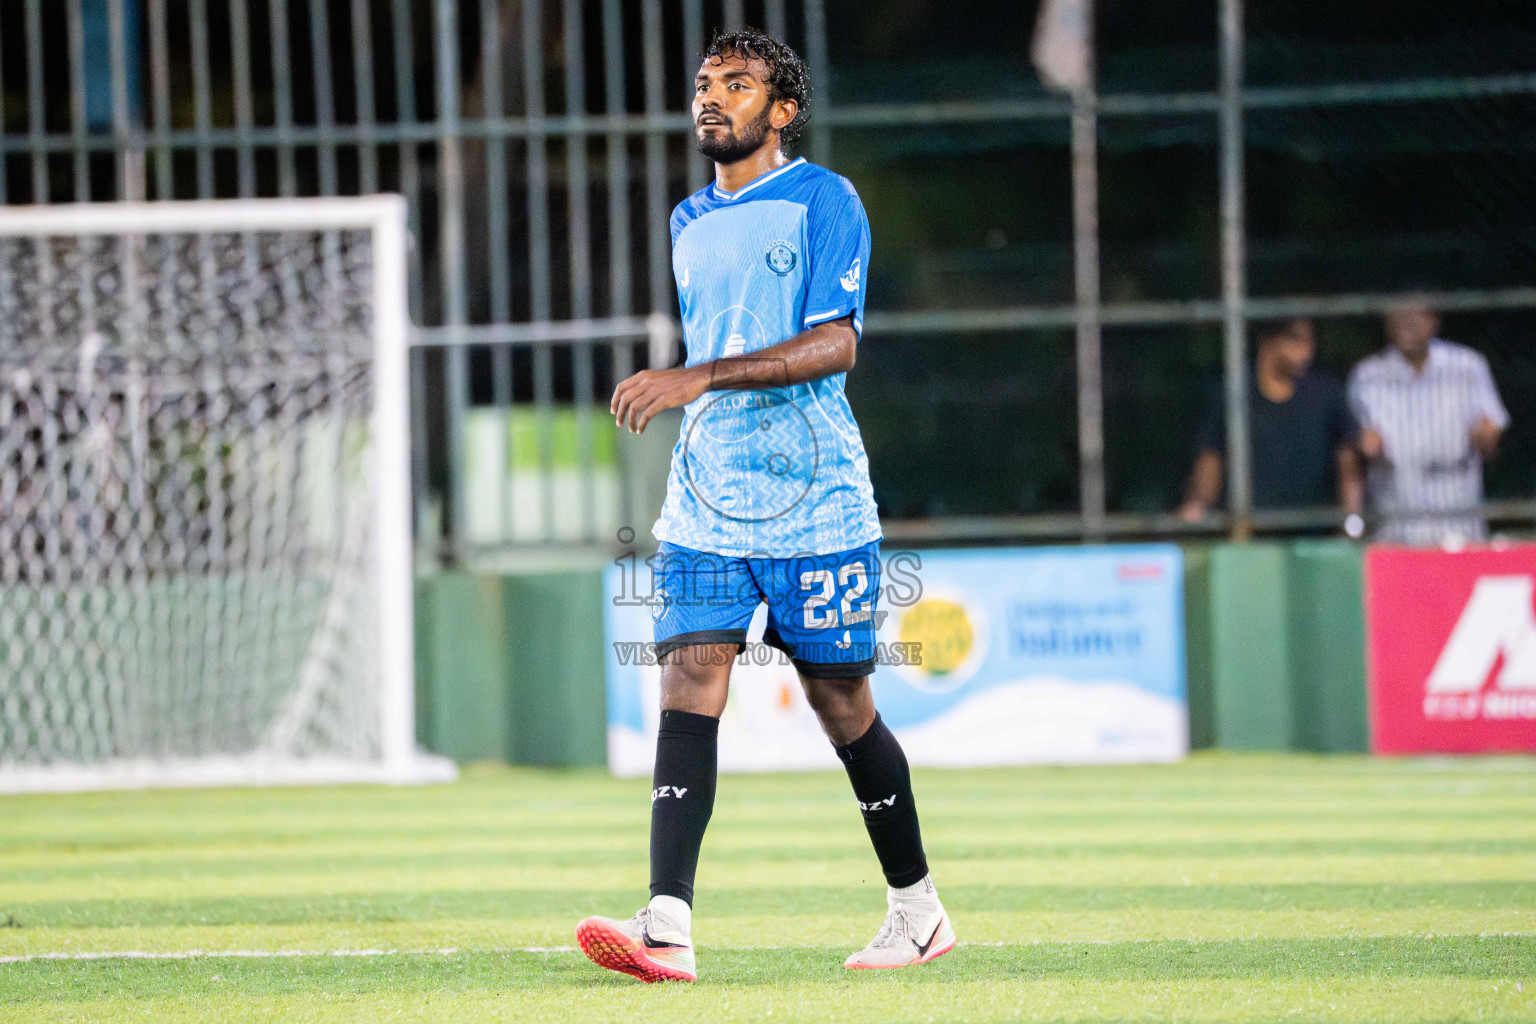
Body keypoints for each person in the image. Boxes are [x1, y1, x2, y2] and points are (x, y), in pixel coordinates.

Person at [575, 30, 953, 983]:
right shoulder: (686, 218)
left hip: (817, 499)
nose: (712, 99)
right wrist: (694, 390)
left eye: (736, 85)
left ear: (781, 110)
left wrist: (697, 375)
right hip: (705, 497)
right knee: (688, 675)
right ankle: (667, 924)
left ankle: (918, 911)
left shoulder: (826, 200)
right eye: (705, 85)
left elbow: (834, 345)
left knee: (841, 700)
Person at [1347, 298, 1509, 546]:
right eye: (1399, 312)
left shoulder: (1467, 365)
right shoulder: (1366, 375)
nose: (1406, 321)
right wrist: (1366, 445)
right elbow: (1353, 454)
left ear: (1434, 320)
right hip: (1396, 533)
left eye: (1416, 313)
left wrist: (1486, 435)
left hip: (1459, 529)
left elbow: (1493, 428)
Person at [1178, 317, 1362, 526]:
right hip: (1248, 534)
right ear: (1266, 340)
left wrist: (1351, 522)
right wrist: (1197, 504)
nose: (1306, 350)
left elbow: (1347, 458)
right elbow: (1211, 457)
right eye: (1295, 339)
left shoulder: (1325, 393)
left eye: (1310, 341)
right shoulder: (1233, 394)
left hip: (1314, 535)